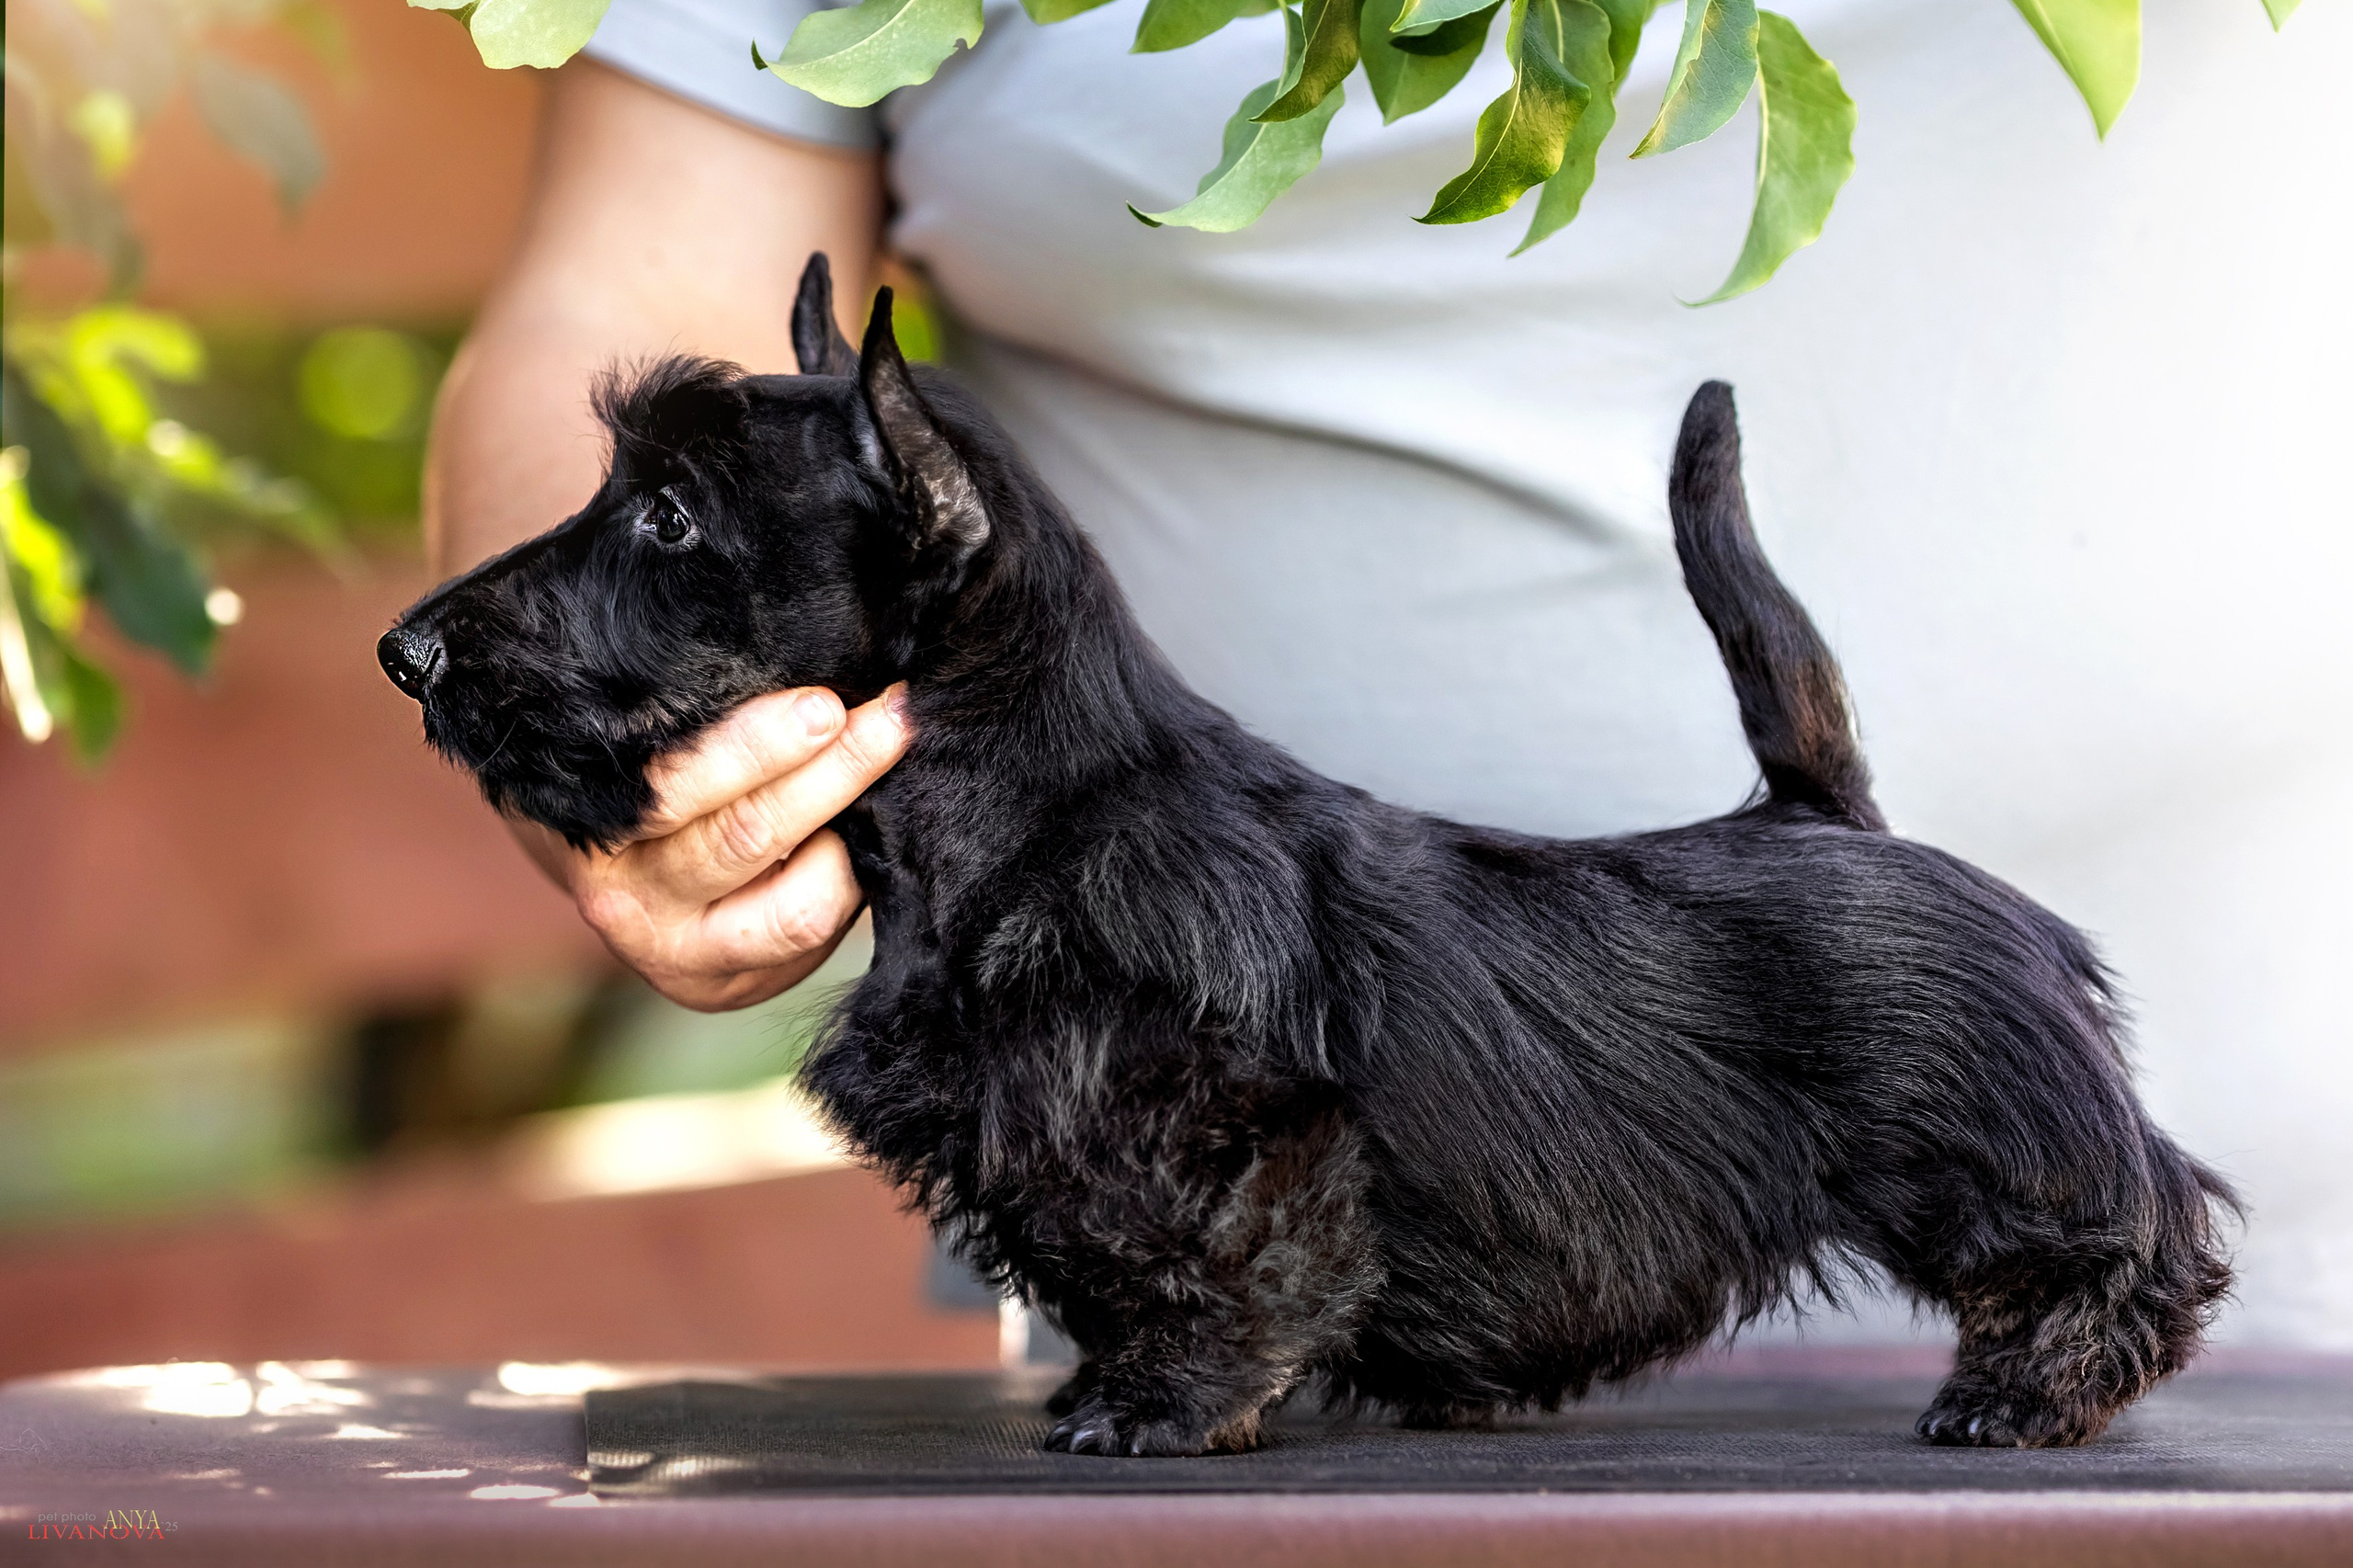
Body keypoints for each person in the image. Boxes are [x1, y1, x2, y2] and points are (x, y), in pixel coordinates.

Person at [425, 0, 2353, 1344]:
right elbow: (639, 310)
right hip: (1223, 1263)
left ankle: (2112, 1263)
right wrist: (660, 751)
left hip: (2295, 1240)